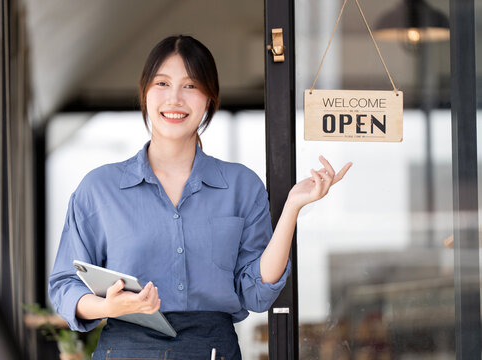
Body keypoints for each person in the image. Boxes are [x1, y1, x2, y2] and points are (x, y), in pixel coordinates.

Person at [48, 35, 351, 359]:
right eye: (162, 83)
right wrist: (108, 305)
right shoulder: (99, 189)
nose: (175, 98)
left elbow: (257, 293)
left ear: (209, 98)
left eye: (190, 86)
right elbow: (66, 284)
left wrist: (291, 207)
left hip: (212, 350)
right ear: (145, 93)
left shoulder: (241, 186)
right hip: (125, 349)